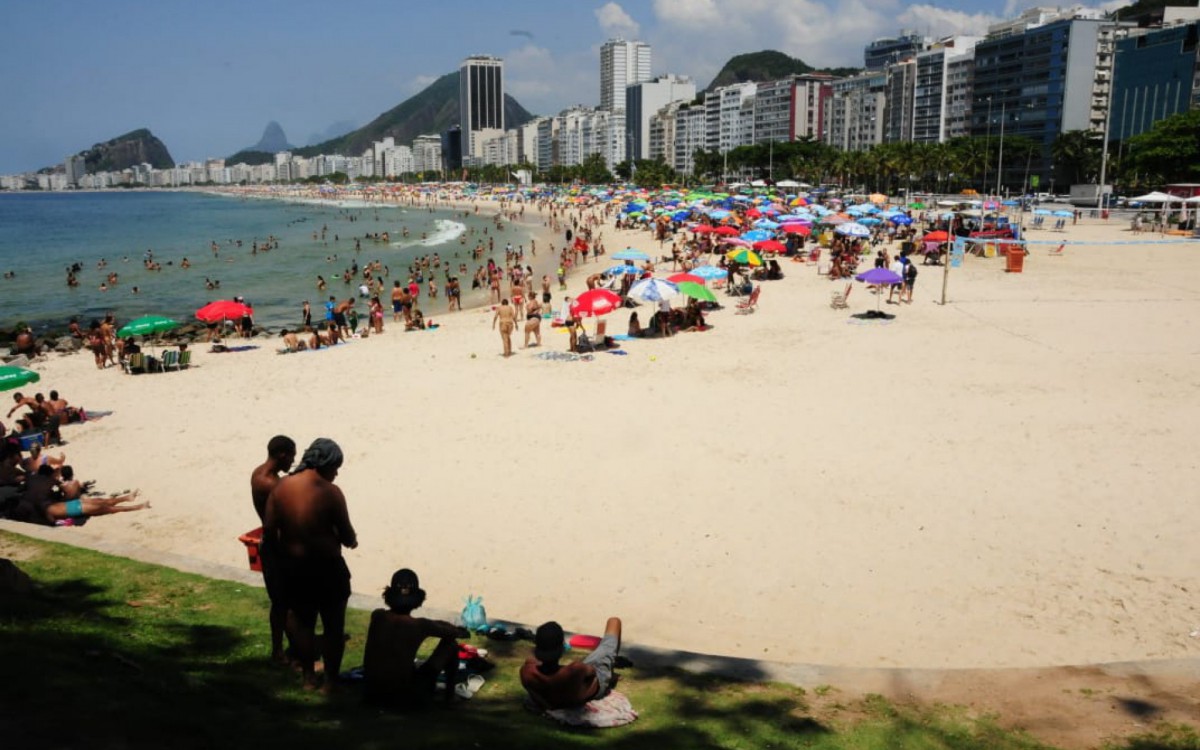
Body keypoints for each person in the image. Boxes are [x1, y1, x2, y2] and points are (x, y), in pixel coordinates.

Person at [264, 438, 357, 692]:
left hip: (295, 570)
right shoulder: (329, 492)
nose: (336, 473)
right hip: (328, 569)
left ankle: (307, 678)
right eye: (335, 467)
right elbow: (348, 535)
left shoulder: (281, 488)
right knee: (333, 626)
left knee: (304, 624)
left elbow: (270, 532)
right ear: (325, 464)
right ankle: (330, 681)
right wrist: (351, 541)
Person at [362, 568, 465, 708]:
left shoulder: (378, 616)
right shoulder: (420, 625)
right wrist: (454, 628)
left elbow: (430, 624)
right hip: (403, 697)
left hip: (371, 693)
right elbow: (452, 633)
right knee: (451, 646)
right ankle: (450, 697)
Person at [251, 435, 297, 664]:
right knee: (284, 602)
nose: (292, 461)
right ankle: (284, 652)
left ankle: (284, 649)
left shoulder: (259, 473)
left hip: (271, 545)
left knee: (281, 602)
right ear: (282, 455)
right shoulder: (271, 484)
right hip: (278, 547)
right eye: (291, 456)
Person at [520, 617, 623, 710]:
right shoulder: (575, 670)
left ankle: (611, 673)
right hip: (597, 679)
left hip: (563, 692)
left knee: (530, 662)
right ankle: (610, 671)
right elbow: (592, 671)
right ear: (561, 648)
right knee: (614, 622)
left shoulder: (526, 672)